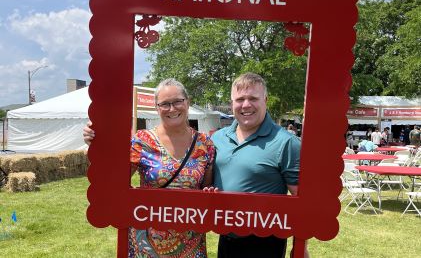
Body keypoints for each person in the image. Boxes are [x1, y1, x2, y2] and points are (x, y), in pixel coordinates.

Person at [83, 78, 215, 258]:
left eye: (177, 101)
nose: (172, 108)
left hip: (191, 242)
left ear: (188, 102)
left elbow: (206, 191)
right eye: (165, 104)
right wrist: (97, 145)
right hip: (147, 242)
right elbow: (113, 181)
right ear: (156, 107)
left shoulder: (205, 144)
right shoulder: (142, 141)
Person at [211, 73, 309, 258]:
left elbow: (301, 199)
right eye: (240, 99)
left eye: (253, 98)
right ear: (232, 103)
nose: (246, 105)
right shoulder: (218, 138)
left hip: (266, 242)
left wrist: (301, 246)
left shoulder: (286, 142)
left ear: (265, 100)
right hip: (226, 238)